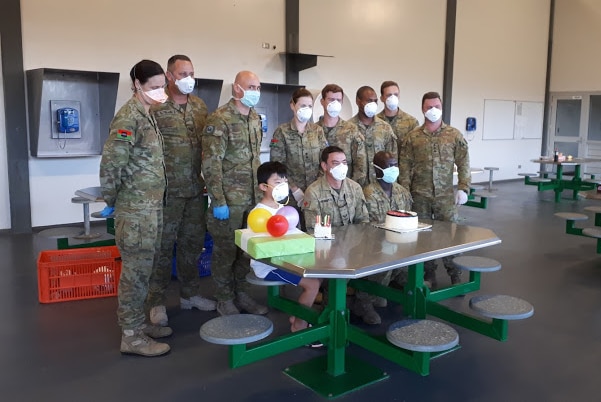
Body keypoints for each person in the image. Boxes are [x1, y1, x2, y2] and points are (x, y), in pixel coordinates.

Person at [99, 59, 171, 357]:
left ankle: (140, 326)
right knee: (135, 274)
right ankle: (131, 336)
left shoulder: (147, 113)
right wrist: (113, 200)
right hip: (136, 211)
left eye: (162, 86)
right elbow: (112, 165)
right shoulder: (128, 117)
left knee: (146, 270)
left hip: (151, 209)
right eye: (153, 87)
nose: (159, 92)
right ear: (137, 86)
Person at [146, 55, 216, 328]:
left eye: (191, 72)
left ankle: (189, 294)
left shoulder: (199, 106)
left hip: (195, 189)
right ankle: (156, 302)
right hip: (166, 192)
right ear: (169, 75)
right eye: (182, 73)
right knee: (162, 248)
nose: (188, 78)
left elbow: (206, 146)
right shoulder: (156, 106)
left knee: (191, 245)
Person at [201, 70, 268, 316]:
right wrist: (218, 200)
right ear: (237, 88)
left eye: (258, 87)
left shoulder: (254, 118)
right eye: (251, 86)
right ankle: (224, 299)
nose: (255, 92)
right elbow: (211, 163)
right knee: (225, 252)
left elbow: (256, 158)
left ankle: (241, 294)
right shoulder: (219, 119)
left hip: (252, 199)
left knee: (245, 251)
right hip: (229, 201)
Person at [398, 91, 470, 288]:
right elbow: (404, 168)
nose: (433, 110)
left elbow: (463, 163)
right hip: (419, 197)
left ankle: (455, 275)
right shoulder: (412, 137)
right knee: (423, 239)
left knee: (452, 236)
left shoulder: (453, 135)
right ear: (422, 109)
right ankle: (429, 274)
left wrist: (464, 188)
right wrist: (404, 195)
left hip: (445, 197)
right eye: (429, 107)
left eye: (436, 106)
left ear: (441, 107)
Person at [250, 161, 321, 334]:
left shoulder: (284, 209)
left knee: (321, 275)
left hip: (286, 260)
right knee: (312, 284)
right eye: (277, 182)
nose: (283, 186)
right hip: (268, 266)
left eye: (284, 182)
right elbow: (265, 250)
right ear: (263, 186)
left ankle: (298, 316)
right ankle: (299, 325)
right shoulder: (258, 214)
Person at [359, 151, 413, 324]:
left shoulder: (402, 191)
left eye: (395, 165)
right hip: (374, 244)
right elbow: (367, 226)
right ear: (378, 169)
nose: (394, 169)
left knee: (412, 267)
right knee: (384, 262)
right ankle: (364, 302)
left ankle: (397, 288)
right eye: (389, 166)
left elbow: (408, 216)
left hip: (400, 242)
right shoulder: (369, 193)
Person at [269, 88, 328, 208]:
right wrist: (294, 189)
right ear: (293, 105)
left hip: (317, 192)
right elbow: (277, 165)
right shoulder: (281, 131)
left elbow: (325, 160)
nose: (307, 109)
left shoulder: (318, 131)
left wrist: (316, 186)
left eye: (310, 106)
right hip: (290, 195)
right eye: (303, 105)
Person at [302, 146, 369, 229]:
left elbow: (363, 222)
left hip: (353, 239)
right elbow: (313, 229)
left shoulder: (355, 188)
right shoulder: (313, 192)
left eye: (344, 163)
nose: (341, 167)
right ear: (324, 166)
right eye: (336, 163)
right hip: (327, 240)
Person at [316, 84, 367, 185]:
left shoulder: (351, 130)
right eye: (331, 99)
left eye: (338, 100)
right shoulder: (313, 131)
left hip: (345, 190)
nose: (335, 103)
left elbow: (360, 165)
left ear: (342, 102)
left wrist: (352, 188)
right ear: (322, 102)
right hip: (318, 191)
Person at [349, 86, 398, 186]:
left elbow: (393, 161)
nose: (373, 104)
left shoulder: (385, 128)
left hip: (380, 187)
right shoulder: (348, 128)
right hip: (357, 188)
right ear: (358, 101)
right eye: (369, 101)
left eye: (375, 101)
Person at [377, 81, 419, 155]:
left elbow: (415, 149)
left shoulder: (411, 122)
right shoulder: (376, 121)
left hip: (403, 165)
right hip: (382, 165)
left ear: (399, 96)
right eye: (389, 95)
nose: (393, 98)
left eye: (396, 94)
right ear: (382, 98)